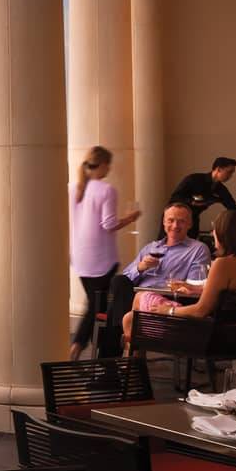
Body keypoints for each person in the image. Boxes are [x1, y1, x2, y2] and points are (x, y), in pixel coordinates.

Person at [121, 208, 236, 341]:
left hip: (210, 337)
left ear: (225, 235)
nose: (213, 234)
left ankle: (133, 367)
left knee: (132, 316)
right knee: (132, 317)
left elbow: (200, 311)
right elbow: (230, 292)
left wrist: (168, 310)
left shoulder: (222, 264)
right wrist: (196, 289)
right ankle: (134, 365)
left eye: (215, 230)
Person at [100, 203, 211, 356]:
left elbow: (195, 286)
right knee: (119, 281)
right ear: (164, 222)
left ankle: (115, 353)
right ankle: (123, 345)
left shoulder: (197, 249)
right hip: (136, 297)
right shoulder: (150, 248)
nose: (175, 225)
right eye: (171, 220)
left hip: (166, 300)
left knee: (118, 311)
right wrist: (140, 267)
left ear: (190, 224)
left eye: (181, 221)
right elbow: (126, 278)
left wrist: (178, 286)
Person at [68, 145, 141, 361]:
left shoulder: (72, 187)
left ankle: (82, 345)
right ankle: (86, 346)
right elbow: (108, 224)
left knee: (94, 303)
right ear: (103, 165)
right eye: (108, 165)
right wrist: (131, 217)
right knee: (98, 305)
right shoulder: (106, 190)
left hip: (80, 255)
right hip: (102, 257)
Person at [162, 157, 236, 239]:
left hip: (193, 220)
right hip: (174, 219)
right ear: (218, 169)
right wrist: (191, 202)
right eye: (229, 172)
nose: (230, 176)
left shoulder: (221, 190)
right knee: (166, 245)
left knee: (192, 247)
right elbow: (175, 197)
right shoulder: (194, 179)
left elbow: (232, 206)